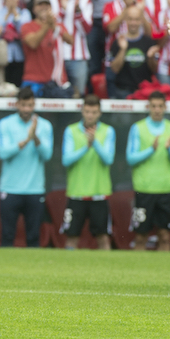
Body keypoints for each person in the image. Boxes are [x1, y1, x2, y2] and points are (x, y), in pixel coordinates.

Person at [0, 86, 53, 247]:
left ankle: (33, 272)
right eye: (23, 105)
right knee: (7, 236)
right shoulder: (4, 124)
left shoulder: (44, 126)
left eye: (30, 105)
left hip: (35, 190)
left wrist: (35, 137)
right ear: (17, 105)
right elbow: (3, 153)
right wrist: (25, 141)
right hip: (10, 188)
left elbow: (47, 155)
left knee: (34, 238)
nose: (27, 109)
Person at [125, 91, 170, 252]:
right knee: (141, 236)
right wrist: (151, 149)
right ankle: (136, 274)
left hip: (166, 188)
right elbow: (131, 159)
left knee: (165, 235)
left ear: (165, 107)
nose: (157, 110)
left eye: (160, 106)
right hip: (144, 188)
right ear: (148, 107)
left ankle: (164, 275)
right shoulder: (138, 128)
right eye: (154, 106)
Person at [61, 94, 114, 250]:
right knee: (71, 237)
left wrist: (95, 143)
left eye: (94, 112)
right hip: (76, 192)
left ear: (99, 113)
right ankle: (66, 272)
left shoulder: (107, 131)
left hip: (99, 192)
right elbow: (66, 160)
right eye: (87, 111)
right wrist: (86, 147)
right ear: (82, 111)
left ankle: (108, 272)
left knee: (103, 237)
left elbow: (108, 159)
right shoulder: (71, 131)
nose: (90, 115)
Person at [49, 0, 93, 96]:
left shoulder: (85, 0)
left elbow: (87, 30)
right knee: (56, 95)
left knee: (78, 95)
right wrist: (63, 10)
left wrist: (77, 11)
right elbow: (50, 26)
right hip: (55, 56)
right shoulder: (51, 0)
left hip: (78, 57)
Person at [21, 0, 71, 95]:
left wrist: (55, 27)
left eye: (47, 5)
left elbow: (71, 41)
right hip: (33, 79)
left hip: (56, 80)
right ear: (34, 9)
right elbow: (33, 43)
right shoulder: (27, 26)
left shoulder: (57, 25)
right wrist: (47, 25)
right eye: (40, 5)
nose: (43, 7)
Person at [109, 5, 157, 98]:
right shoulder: (118, 41)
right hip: (123, 90)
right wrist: (123, 50)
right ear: (126, 20)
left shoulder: (149, 42)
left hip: (144, 91)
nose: (133, 23)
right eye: (130, 19)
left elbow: (154, 69)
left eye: (136, 19)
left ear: (141, 21)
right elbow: (114, 69)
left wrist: (151, 58)